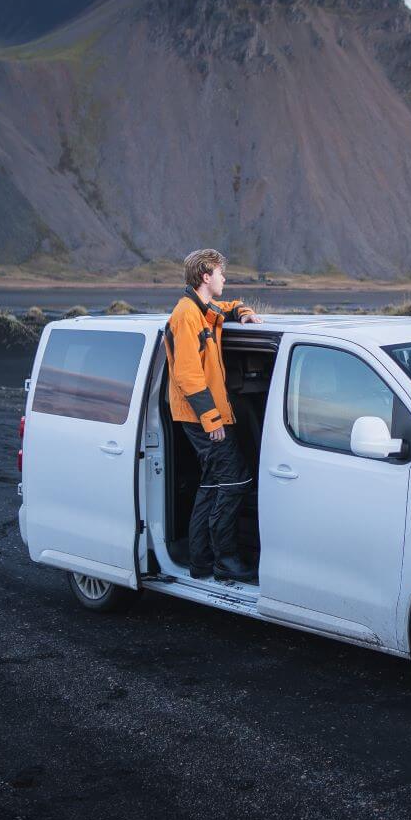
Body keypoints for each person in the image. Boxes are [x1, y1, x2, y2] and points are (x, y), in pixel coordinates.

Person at [166, 249, 263, 582]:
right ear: (206, 276)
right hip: (201, 418)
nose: (224, 279)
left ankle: (202, 561)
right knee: (236, 481)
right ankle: (226, 561)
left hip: (207, 415)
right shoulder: (186, 315)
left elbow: (227, 306)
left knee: (211, 484)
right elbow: (188, 376)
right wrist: (212, 421)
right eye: (221, 274)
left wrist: (245, 311)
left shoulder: (202, 309)